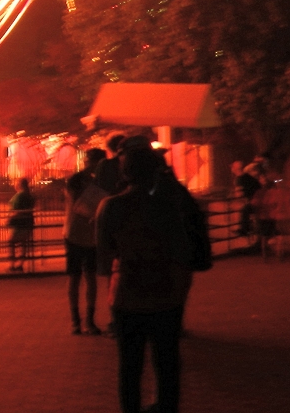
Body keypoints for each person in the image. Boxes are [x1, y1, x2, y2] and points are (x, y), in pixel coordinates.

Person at [97, 139, 194, 413]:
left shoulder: (111, 207)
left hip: (127, 291)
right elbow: (182, 251)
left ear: (124, 173)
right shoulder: (167, 207)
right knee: (167, 363)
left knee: (129, 365)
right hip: (166, 291)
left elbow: (104, 258)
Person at [64, 168, 107, 334]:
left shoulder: (72, 193)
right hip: (84, 238)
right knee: (88, 278)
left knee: (76, 278)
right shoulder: (80, 194)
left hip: (74, 237)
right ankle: (87, 321)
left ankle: (78, 321)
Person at [7, 177, 36, 273]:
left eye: (16, 183)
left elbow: (16, 211)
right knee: (23, 243)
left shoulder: (19, 196)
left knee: (11, 242)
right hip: (28, 222)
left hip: (18, 223)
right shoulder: (29, 195)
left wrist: (9, 219)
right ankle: (20, 264)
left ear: (19, 185)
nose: (14, 185)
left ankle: (12, 264)